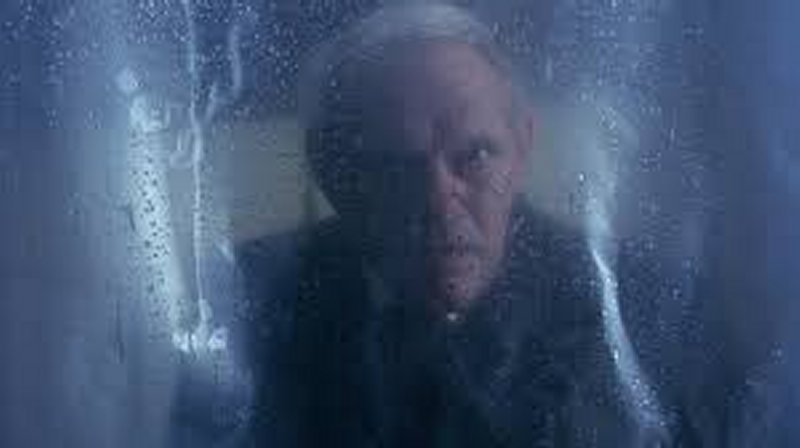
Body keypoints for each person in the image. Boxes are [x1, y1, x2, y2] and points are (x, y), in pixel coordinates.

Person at [237, 4, 645, 447]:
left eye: (476, 156)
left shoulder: (632, 311)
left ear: (522, 147)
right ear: (334, 173)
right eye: (397, 167)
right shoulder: (245, 305)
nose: (437, 202)